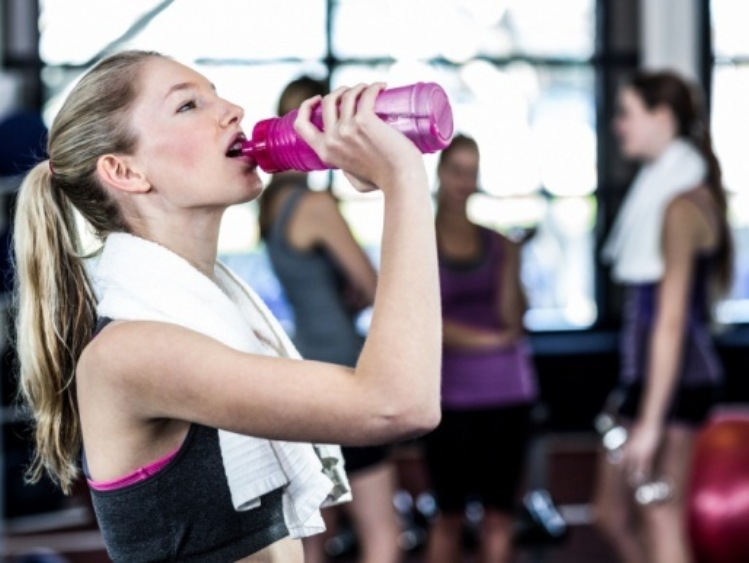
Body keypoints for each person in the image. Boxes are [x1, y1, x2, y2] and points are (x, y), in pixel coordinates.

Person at [13, 50, 441, 562]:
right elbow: (398, 403)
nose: (234, 109)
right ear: (124, 171)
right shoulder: (130, 353)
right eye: (189, 105)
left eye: (217, 93)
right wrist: (405, 181)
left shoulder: (223, 318)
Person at [258, 76, 402, 563]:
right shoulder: (316, 205)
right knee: (383, 532)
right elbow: (373, 283)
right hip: (343, 373)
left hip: (302, 374)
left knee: (313, 535)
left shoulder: (272, 206)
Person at [596, 70, 733, 563]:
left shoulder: (680, 205)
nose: (618, 126)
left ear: (663, 118)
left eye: (627, 114)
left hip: (675, 383)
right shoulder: (663, 192)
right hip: (648, 377)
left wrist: (651, 423)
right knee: (610, 513)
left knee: (659, 513)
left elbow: (670, 321)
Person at [423, 134, 539, 563]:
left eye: (472, 174)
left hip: (508, 393)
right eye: (457, 172)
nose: (464, 182)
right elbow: (424, 324)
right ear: (440, 174)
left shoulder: (496, 244)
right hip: (448, 397)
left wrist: (513, 259)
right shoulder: (417, 242)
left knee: (498, 518)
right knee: (448, 517)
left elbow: (513, 321)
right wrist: (489, 341)